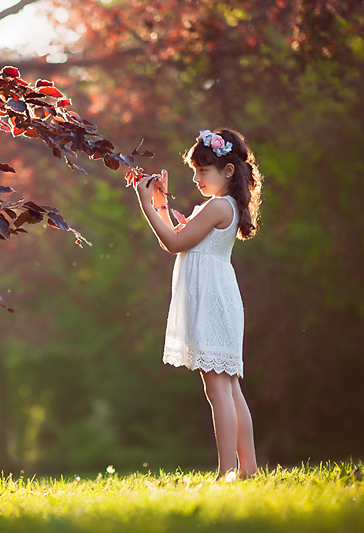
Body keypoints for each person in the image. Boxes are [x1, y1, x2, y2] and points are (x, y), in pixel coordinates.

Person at [134, 128, 263, 481]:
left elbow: (174, 244)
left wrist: (146, 206)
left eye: (203, 170)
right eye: (195, 171)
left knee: (219, 386)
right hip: (217, 295)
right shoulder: (221, 206)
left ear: (228, 171)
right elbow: (177, 240)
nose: (196, 178)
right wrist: (160, 206)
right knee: (228, 384)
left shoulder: (219, 206)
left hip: (213, 298)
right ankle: (247, 468)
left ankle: (227, 471)